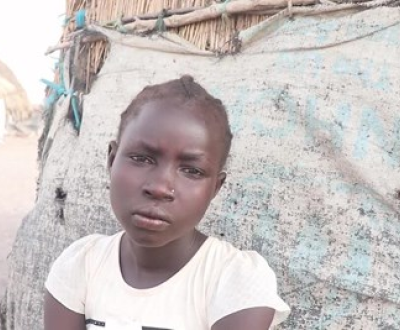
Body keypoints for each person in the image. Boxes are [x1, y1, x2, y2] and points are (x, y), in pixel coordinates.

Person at [44, 76, 290, 330]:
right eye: (141, 158)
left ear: (215, 187)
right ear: (112, 160)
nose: (160, 188)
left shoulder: (235, 282)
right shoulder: (81, 265)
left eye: (192, 171)